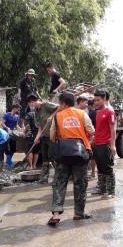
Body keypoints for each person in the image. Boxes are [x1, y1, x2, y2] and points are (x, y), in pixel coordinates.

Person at [47, 92, 94, 226]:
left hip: (63, 155)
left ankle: (56, 214)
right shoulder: (82, 114)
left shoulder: (57, 117)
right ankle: (78, 214)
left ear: (63, 103)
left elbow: (52, 137)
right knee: (80, 184)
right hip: (80, 155)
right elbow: (91, 131)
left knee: (59, 183)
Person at [27, 94, 59, 183]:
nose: (31, 107)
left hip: (53, 136)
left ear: (32, 102)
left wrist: (52, 116)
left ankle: (59, 177)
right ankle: (44, 178)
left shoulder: (46, 105)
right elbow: (40, 127)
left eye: (30, 104)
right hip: (44, 137)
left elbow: (59, 107)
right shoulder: (36, 112)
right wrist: (37, 138)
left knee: (52, 156)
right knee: (45, 158)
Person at [92, 90, 117, 198]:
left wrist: (112, 145)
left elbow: (113, 129)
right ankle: (101, 189)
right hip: (97, 143)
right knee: (100, 167)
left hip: (105, 144)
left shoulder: (109, 112)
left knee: (107, 168)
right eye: (95, 100)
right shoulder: (98, 112)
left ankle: (111, 191)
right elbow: (98, 128)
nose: (96, 102)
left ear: (104, 99)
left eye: (98, 100)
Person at [87, 99, 97, 178]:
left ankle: (93, 172)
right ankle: (93, 172)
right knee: (94, 155)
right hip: (96, 135)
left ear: (89, 105)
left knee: (92, 155)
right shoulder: (98, 112)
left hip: (91, 135)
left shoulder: (89, 113)